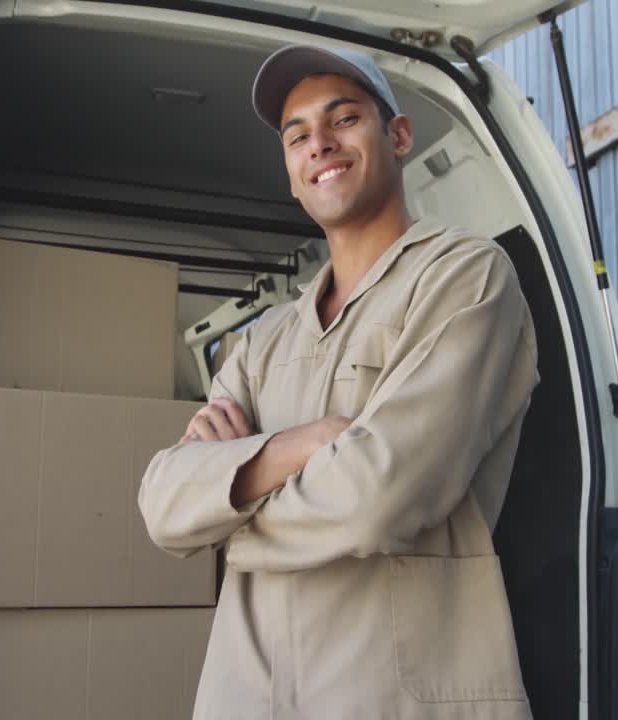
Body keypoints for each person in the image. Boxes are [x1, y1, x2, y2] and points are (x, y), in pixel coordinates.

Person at [139, 44, 538, 719]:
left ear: (399, 136)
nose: (319, 144)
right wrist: (295, 449)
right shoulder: (263, 342)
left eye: (344, 119)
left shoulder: (465, 278)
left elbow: (378, 494)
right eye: (297, 136)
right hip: (249, 700)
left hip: (387, 700)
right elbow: (162, 506)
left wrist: (229, 507)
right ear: (292, 174)